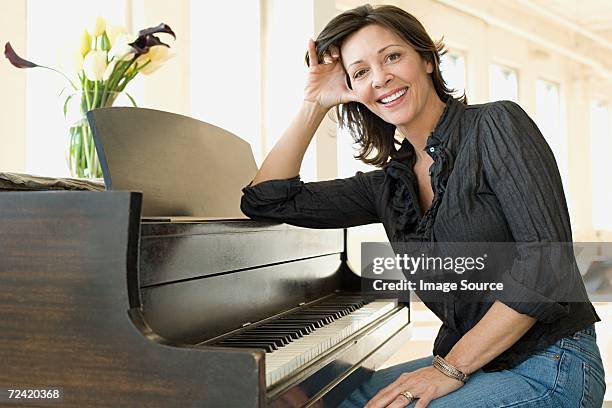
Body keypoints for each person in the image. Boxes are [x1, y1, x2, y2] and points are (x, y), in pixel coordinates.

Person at [240, 4, 605, 407]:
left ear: (427, 59)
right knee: (321, 400)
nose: (381, 78)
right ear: (354, 91)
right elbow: (267, 201)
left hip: (550, 363)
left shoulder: (495, 125)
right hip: (477, 364)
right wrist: (314, 103)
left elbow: (545, 266)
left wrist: (448, 370)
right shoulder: (390, 184)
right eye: (360, 72)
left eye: (392, 56)